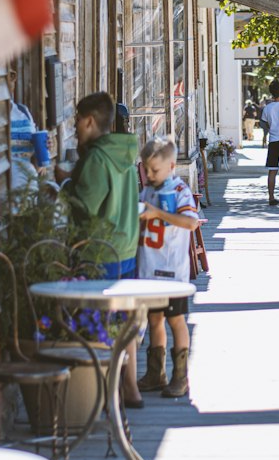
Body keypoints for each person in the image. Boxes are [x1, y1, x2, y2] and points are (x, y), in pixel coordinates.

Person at [65, 92, 144, 406]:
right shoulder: (123, 152)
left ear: (88, 121)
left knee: (101, 320)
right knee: (125, 320)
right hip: (126, 246)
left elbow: (86, 204)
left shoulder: (97, 158)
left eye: (76, 124)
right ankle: (131, 386)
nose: (74, 130)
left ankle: (104, 389)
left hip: (100, 249)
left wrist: (65, 185)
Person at [137, 137, 203, 398]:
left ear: (172, 166)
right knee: (154, 319)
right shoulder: (147, 192)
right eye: (146, 170)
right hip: (149, 268)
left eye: (155, 170)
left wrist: (158, 214)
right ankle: (156, 372)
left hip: (172, 271)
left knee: (176, 320)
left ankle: (180, 375)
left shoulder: (179, 191)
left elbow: (190, 223)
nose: (150, 175)